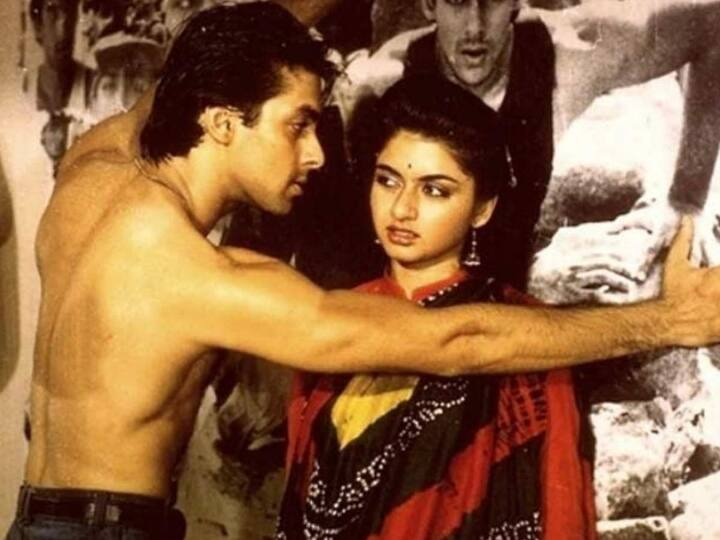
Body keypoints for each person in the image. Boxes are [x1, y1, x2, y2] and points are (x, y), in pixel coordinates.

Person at [8, 3, 720, 539]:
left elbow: (209, 61)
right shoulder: (195, 276)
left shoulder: (94, 169)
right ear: (223, 123)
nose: (317, 153)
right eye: (297, 124)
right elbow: (456, 340)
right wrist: (671, 319)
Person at [277, 75, 595, 540]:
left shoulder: (522, 333)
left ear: (482, 208)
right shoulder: (336, 315)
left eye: (435, 190)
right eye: (388, 181)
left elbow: (561, 512)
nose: (402, 209)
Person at [335, 0, 720, 290]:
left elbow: (712, 22)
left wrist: (686, 202)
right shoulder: (380, 87)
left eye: (492, 1)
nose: (475, 27)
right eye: (457, 1)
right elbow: (372, 258)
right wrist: (533, 281)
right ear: (428, 5)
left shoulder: (570, 56)